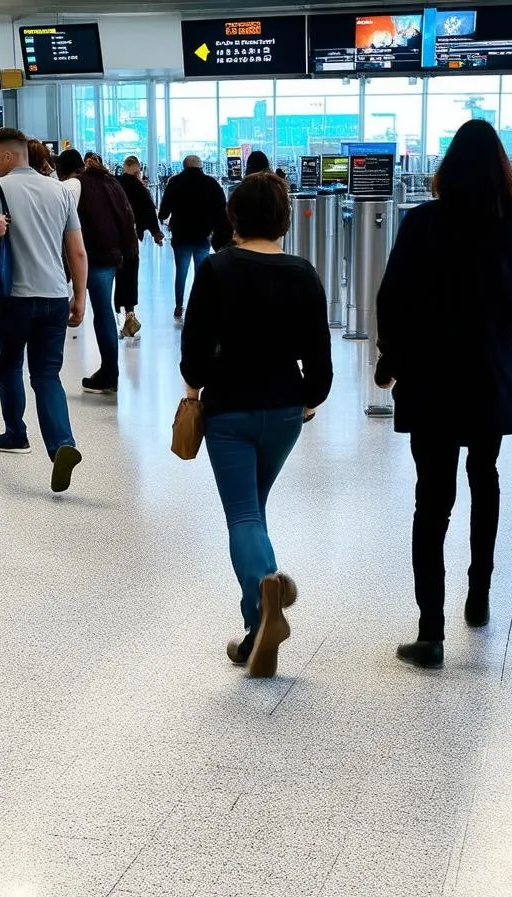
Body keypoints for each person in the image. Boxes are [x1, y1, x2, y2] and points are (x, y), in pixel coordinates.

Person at [375, 119, 512, 669]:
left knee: (432, 499)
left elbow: (392, 298)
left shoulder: (421, 222)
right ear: (501, 170)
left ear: (448, 169)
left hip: (430, 378)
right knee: (486, 477)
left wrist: (392, 360)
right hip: (488, 377)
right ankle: (479, 594)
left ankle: (430, 631)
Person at [180, 172, 333, 679]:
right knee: (256, 509)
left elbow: (195, 349)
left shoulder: (218, 269)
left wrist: (193, 390)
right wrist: (306, 403)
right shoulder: (304, 273)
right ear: (284, 218)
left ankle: (265, 594)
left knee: (243, 515)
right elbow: (320, 364)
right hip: (285, 413)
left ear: (234, 217)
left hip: (230, 413)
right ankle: (254, 635)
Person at [0, 127, 88, 494]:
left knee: (10, 365)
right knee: (47, 375)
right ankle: (62, 445)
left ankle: (15, 433)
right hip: (54, 296)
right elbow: (77, 251)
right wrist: (79, 297)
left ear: (8, 156)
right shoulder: (60, 190)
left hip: (13, 297)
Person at [55, 149, 137, 396]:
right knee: (103, 313)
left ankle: (109, 373)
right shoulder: (108, 179)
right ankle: (109, 371)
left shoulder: (73, 184)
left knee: (101, 313)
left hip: (94, 255)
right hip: (115, 252)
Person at [158, 156, 232, 323]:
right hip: (203, 236)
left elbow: (164, 210)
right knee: (202, 273)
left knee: (181, 272)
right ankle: (201, 306)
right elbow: (222, 210)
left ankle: (179, 306)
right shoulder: (211, 184)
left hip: (181, 236)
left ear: (184, 166)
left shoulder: (175, 182)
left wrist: (162, 217)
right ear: (201, 166)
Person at [115, 155, 164, 339]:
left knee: (113, 275)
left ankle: (115, 313)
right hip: (130, 237)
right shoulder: (139, 187)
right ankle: (129, 313)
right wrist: (156, 233)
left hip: (112, 237)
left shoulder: (114, 184)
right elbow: (149, 210)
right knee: (129, 273)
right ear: (137, 170)